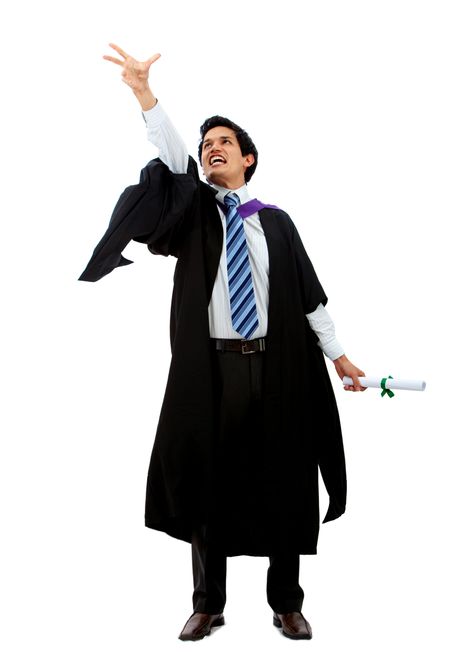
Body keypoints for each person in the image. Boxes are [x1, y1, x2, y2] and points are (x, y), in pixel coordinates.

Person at [79, 43, 366, 642]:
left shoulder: (277, 222)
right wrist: (143, 94)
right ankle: (208, 603)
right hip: (211, 370)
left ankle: (286, 602)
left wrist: (339, 358)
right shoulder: (198, 211)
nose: (213, 148)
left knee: (286, 477)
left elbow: (311, 296)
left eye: (224, 143)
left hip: (277, 365)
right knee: (208, 478)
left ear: (248, 158)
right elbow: (173, 155)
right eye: (208, 144)